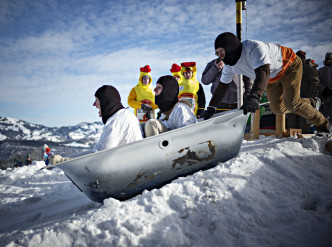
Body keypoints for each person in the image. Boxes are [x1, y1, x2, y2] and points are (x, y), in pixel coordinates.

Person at [203, 32, 331, 136]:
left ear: (230, 48)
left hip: (289, 65)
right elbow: (222, 87)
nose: (220, 57)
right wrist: (212, 107)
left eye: (221, 52)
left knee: (292, 103)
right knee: (277, 109)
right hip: (271, 78)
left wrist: (254, 96)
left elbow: (263, 71)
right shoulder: (229, 67)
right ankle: (311, 102)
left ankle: (323, 124)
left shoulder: (253, 48)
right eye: (217, 53)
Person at [49, 85, 143, 165]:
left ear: (105, 102)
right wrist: (65, 159)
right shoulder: (127, 115)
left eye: (97, 100)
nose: (94, 104)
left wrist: (63, 162)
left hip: (125, 168)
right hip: (132, 163)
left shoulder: (115, 121)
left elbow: (98, 157)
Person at [287, 50, 320, 133]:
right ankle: (290, 143)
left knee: (304, 123)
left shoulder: (310, 69)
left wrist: (309, 97)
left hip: (304, 101)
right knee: (292, 123)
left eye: (300, 58)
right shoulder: (291, 71)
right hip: (292, 101)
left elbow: (315, 83)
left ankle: (304, 143)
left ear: (303, 59)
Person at [318, 52, 332, 124]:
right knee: (323, 114)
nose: (329, 61)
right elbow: (318, 81)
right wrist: (324, 89)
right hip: (324, 96)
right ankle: (324, 129)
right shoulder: (320, 70)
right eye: (328, 59)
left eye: (330, 59)